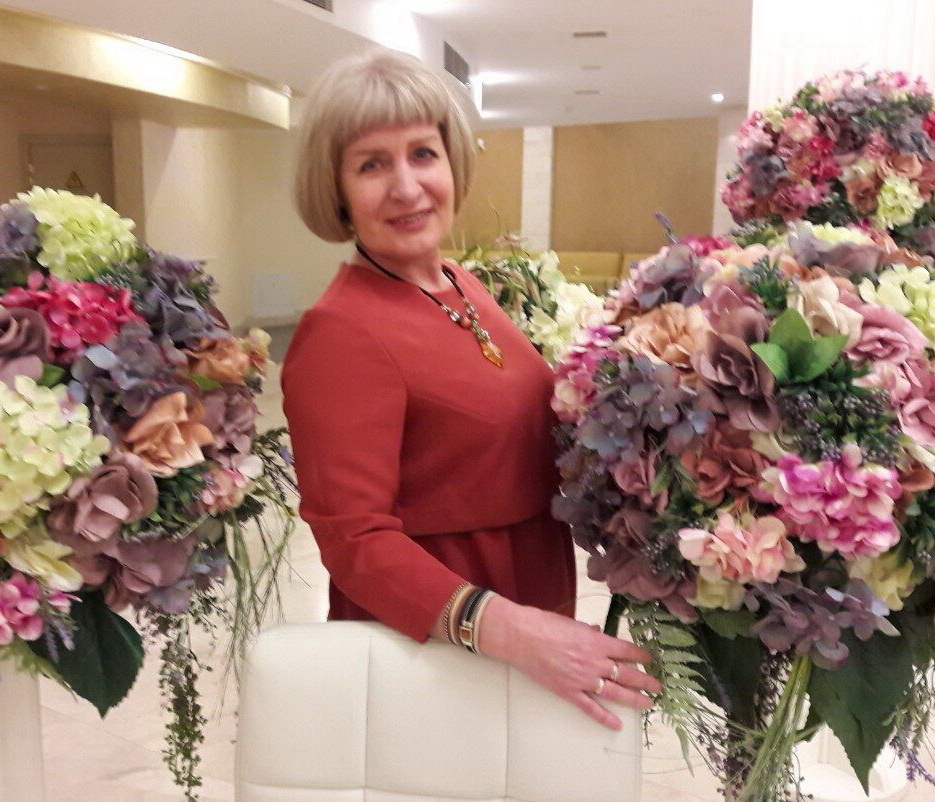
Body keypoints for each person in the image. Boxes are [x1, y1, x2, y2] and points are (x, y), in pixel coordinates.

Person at [282, 48, 661, 730]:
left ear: (452, 162)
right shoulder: (339, 331)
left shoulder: (460, 283)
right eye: (371, 165)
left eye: (422, 154)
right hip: (436, 642)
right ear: (335, 189)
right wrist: (511, 631)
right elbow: (353, 541)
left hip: (525, 606)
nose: (406, 187)